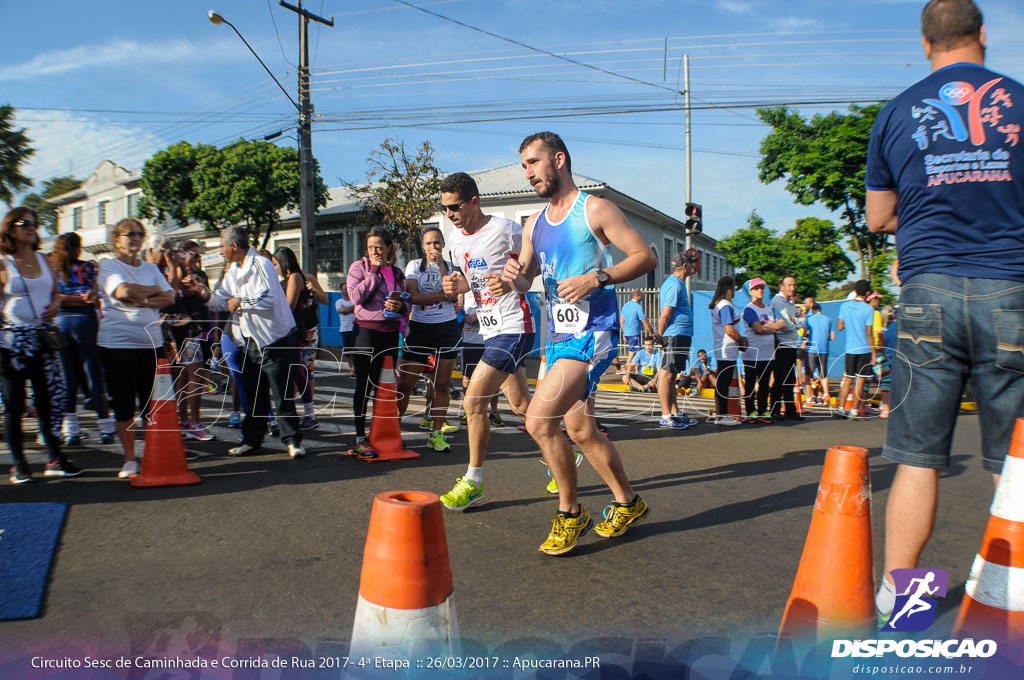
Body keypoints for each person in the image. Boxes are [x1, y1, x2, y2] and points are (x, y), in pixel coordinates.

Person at [864, 0, 1024, 626]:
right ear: (983, 35)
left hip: (927, 293)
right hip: (1011, 290)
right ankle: (1011, 598)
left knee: (918, 456)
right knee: (1011, 460)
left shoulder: (895, 112)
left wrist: (931, 212)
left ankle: (901, 599)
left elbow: (878, 218)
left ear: (926, 43)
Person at [502, 131, 655, 555]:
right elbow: (527, 278)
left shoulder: (596, 210)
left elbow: (645, 257)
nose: (528, 173)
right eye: (524, 166)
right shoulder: (534, 224)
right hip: (558, 337)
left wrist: (597, 277)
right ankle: (628, 503)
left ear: (559, 159)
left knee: (538, 422)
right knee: (581, 428)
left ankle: (571, 513)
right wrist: (513, 276)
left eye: (534, 163)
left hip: (593, 333)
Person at [438, 172, 533, 510]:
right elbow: (466, 280)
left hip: (515, 325)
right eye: (445, 207)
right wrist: (457, 288)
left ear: (474, 202)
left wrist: (514, 280)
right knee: (522, 405)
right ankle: (563, 451)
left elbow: (534, 263)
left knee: (473, 401)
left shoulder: (506, 229)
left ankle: (473, 481)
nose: (449, 213)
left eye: (455, 206)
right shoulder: (455, 239)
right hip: (489, 330)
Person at [186, 227, 305, 459]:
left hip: (273, 339)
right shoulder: (233, 271)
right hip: (248, 341)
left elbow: (268, 298)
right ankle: (252, 441)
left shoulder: (261, 264)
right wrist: (202, 293)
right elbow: (222, 301)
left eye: (221, 246)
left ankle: (293, 441)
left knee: (281, 393)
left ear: (233, 246)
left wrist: (240, 301)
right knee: (252, 394)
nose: (220, 252)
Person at [0, 208, 82, 483]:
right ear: (11, 228)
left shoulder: (44, 259)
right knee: (14, 404)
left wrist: (57, 304)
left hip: (42, 338)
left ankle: (54, 458)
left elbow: (56, 294)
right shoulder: (3, 262)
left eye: (35, 224)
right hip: (12, 342)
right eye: (25, 223)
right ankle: (19, 463)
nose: (31, 227)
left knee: (47, 400)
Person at [96, 218, 177, 478]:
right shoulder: (109, 265)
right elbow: (122, 291)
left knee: (152, 405)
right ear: (116, 239)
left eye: (140, 234)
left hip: (152, 344)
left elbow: (170, 297)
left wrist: (140, 298)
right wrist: (153, 293)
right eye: (130, 233)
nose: (136, 237)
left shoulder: (151, 268)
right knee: (123, 403)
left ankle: (153, 455)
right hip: (118, 344)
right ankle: (130, 459)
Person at [395, 227, 461, 452]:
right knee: (405, 384)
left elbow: (455, 295)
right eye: (429, 244)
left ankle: (436, 433)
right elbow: (413, 296)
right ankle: (393, 431)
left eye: (437, 243)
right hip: (420, 328)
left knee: (442, 385)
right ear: (423, 246)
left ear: (443, 244)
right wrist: (443, 296)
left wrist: (446, 295)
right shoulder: (414, 265)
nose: (433, 247)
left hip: (447, 328)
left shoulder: (450, 267)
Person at [344, 227, 408, 459]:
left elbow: (405, 303)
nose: (374, 251)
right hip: (366, 333)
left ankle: (380, 434)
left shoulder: (398, 273)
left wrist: (400, 307)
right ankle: (360, 437)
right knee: (364, 385)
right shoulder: (358, 268)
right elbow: (356, 297)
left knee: (385, 387)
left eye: (379, 247)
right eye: (370, 247)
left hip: (390, 333)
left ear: (389, 248)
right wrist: (373, 272)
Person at [51, 232, 116, 445]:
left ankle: (71, 430)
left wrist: (65, 300)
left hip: (61, 324)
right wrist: (81, 299)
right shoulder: (86, 267)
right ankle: (105, 427)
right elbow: (90, 297)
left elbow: (55, 298)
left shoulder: (55, 270)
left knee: (68, 379)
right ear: (78, 248)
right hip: (85, 324)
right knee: (93, 376)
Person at [271, 246, 324, 431]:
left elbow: (289, 305)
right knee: (292, 374)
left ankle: (309, 415)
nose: (274, 267)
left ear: (284, 261)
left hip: (296, 331)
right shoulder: (285, 279)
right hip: (289, 331)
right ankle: (292, 416)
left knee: (300, 373)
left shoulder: (295, 277)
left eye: (276, 263)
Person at [654, 253, 696, 429]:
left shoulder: (677, 284)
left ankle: (675, 413)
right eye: (692, 264)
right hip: (674, 334)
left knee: (672, 376)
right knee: (667, 374)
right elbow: (666, 313)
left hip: (680, 334)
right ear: (685, 266)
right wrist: (660, 334)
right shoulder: (673, 285)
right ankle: (666, 415)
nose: (695, 267)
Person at [835, 279, 875, 419]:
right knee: (860, 380)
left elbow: (840, 327)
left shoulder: (844, 306)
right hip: (864, 349)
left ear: (855, 291)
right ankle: (854, 411)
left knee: (847, 379)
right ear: (868, 293)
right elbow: (869, 333)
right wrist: (874, 353)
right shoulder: (869, 309)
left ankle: (841, 408)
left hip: (850, 349)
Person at [708, 275, 745, 426]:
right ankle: (722, 416)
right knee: (724, 382)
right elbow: (729, 330)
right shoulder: (725, 306)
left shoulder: (721, 304)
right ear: (729, 289)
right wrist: (742, 340)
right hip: (726, 349)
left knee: (723, 382)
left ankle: (721, 414)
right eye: (734, 288)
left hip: (724, 349)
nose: (735, 291)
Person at [769, 275, 806, 420]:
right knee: (780, 378)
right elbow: (787, 324)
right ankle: (775, 409)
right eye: (789, 285)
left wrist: (795, 321)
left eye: (794, 285)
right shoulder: (777, 301)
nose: (793, 288)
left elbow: (801, 323)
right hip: (781, 344)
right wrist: (795, 321)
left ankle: (791, 410)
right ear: (781, 286)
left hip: (791, 344)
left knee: (790, 379)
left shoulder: (790, 303)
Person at [803, 303, 834, 406]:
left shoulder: (809, 319)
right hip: (824, 349)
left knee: (808, 374)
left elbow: (805, 333)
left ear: (812, 310)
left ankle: (809, 398)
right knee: (823, 374)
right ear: (821, 309)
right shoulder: (829, 319)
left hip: (812, 349)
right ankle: (826, 394)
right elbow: (832, 337)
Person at [620, 289, 653, 368]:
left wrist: (624, 332)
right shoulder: (637, 307)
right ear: (637, 295)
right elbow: (644, 321)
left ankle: (636, 371)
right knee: (634, 354)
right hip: (634, 333)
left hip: (628, 333)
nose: (642, 297)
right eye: (642, 296)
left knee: (635, 353)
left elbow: (622, 320)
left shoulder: (626, 305)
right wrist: (652, 332)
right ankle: (629, 371)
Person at [334, 282, 356, 376]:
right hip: (345, 329)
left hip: (356, 328)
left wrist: (348, 308)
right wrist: (352, 308)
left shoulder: (355, 300)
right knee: (348, 350)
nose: (347, 290)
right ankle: (352, 368)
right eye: (344, 289)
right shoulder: (339, 302)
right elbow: (342, 311)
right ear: (341, 290)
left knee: (357, 349)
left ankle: (357, 368)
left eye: (348, 288)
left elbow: (351, 309)